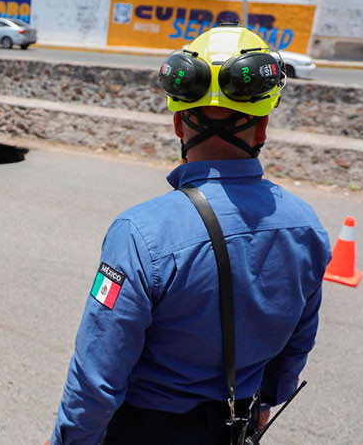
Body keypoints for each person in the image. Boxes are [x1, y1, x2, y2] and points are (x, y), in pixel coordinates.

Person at [49, 25, 332, 445]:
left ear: (179, 124)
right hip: (235, 427)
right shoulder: (307, 228)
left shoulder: (140, 234)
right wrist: (266, 401)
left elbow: (97, 376)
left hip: (146, 429)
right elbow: (296, 345)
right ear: (263, 129)